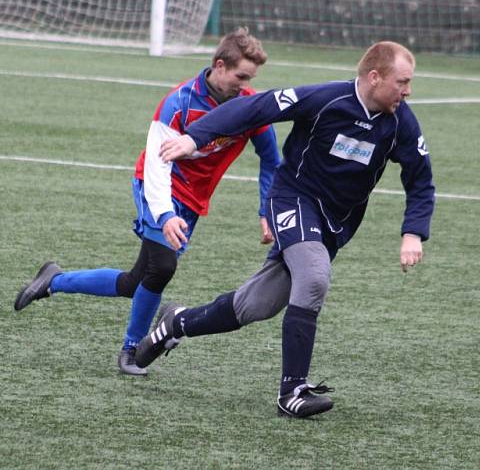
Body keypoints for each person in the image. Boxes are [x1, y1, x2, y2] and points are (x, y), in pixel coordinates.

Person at [134, 41, 435, 419]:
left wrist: (413, 232)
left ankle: (174, 324)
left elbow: (421, 180)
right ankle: (292, 391)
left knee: (252, 307)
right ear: (374, 78)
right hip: (293, 199)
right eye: (402, 82)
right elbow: (254, 106)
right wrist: (196, 136)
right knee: (313, 277)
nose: (407, 91)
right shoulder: (326, 99)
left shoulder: (401, 123)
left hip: (334, 225)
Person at [14, 27, 281, 375]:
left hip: (192, 203)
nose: (244, 84)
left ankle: (54, 280)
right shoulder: (178, 103)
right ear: (219, 65)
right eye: (240, 76)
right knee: (162, 268)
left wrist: (267, 209)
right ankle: (132, 350)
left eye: (250, 78)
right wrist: (166, 213)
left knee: (134, 282)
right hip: (158, 189)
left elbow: (272, 160)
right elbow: (158, 165)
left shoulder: (250, 106)